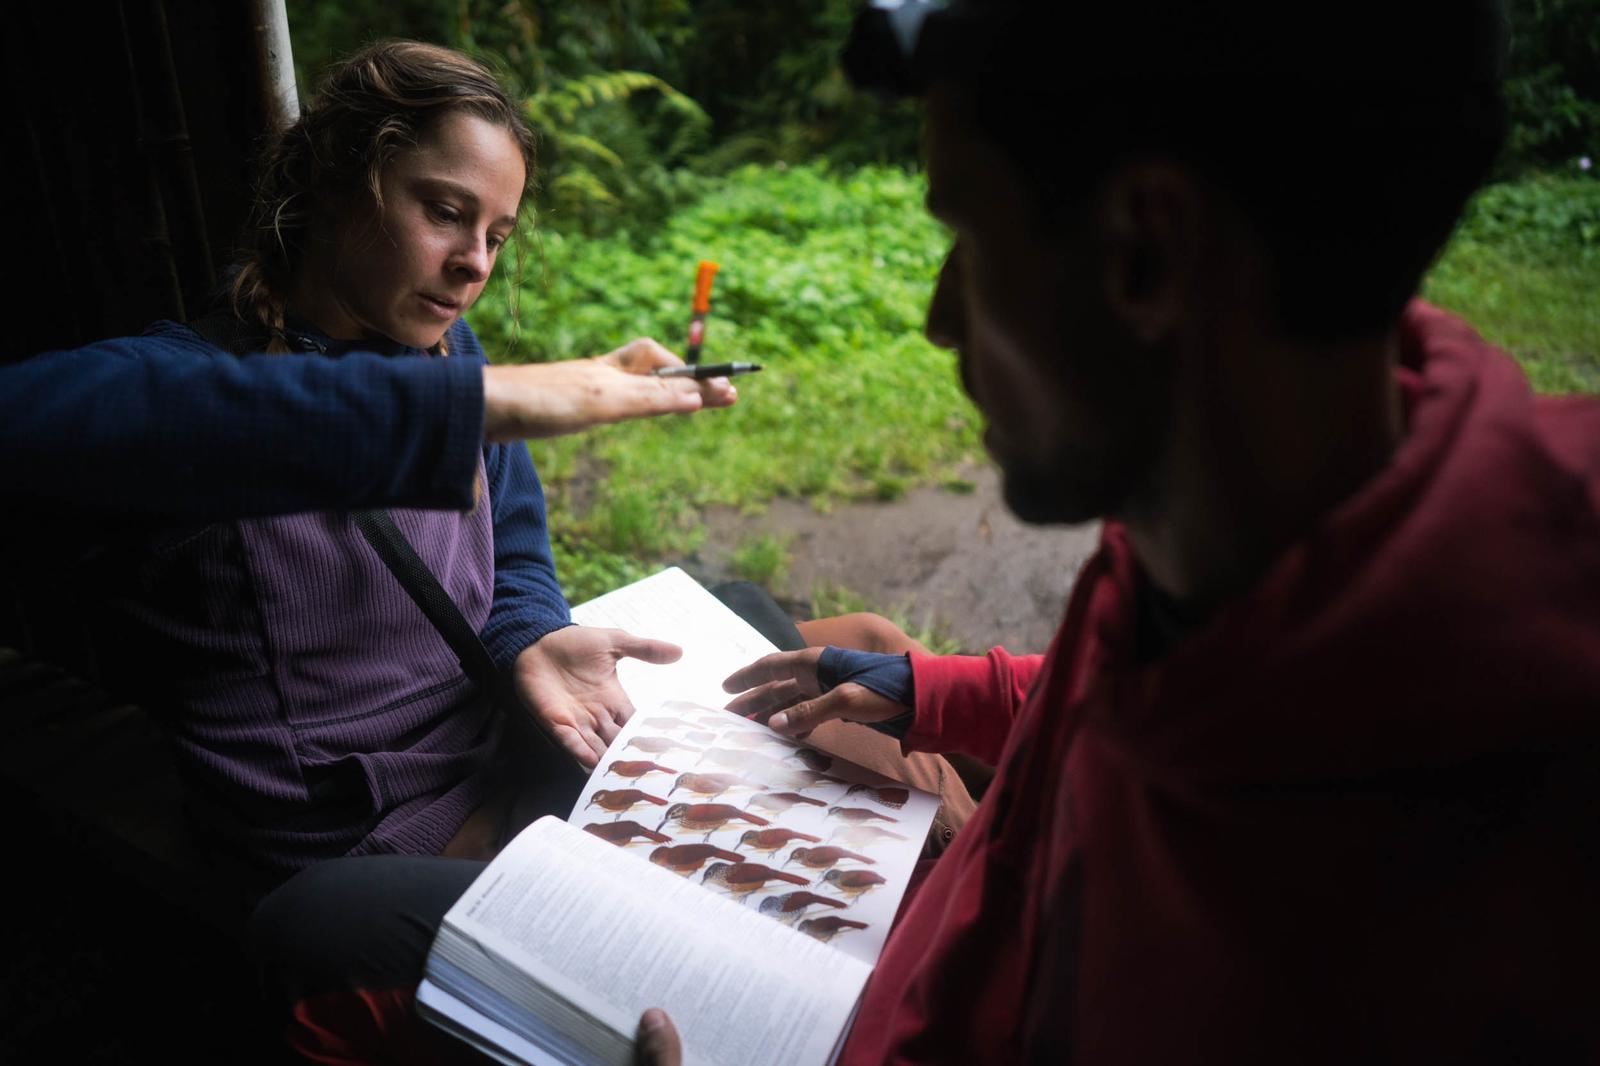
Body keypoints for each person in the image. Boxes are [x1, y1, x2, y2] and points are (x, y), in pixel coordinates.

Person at [638, 1, 1600, 1063]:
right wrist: (940, 690)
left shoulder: (1392, 931)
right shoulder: (1238, 522)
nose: (939, 317)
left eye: (966, 235)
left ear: (1146, 251)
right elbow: (1125, 688)